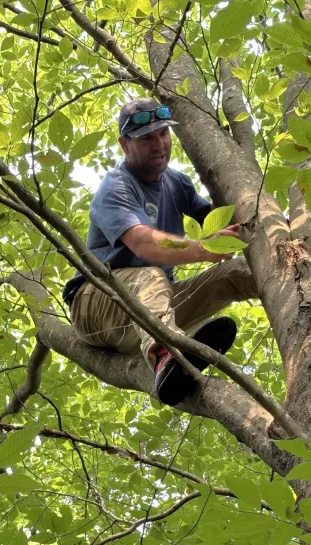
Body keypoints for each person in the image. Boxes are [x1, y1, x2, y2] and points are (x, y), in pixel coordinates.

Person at [62, 98, 259, 406]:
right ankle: (166, 355)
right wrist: (206, 248)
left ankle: (293, 281)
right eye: (146, 138)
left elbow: (216, 223)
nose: (159, 144)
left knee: (232, 274)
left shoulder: (177, 183)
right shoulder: (116, 186)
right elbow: (144, 243)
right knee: (152, 276)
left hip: (148, 312)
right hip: (96, 304)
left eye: (163, 134)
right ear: (125, 144)